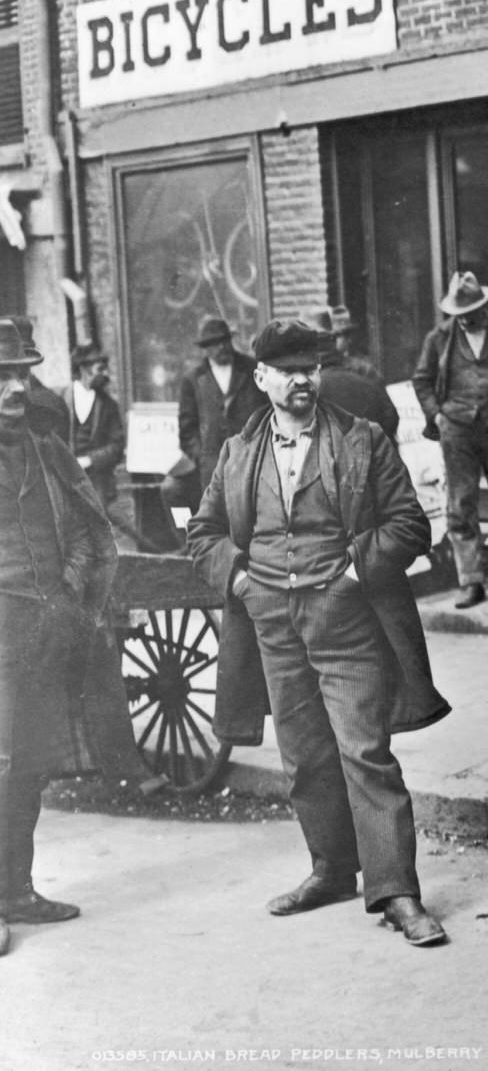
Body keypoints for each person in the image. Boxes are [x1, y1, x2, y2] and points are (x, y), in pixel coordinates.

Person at [186, 318, 450, 948]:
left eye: (310, 368)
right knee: (304, 755)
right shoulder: (238, 452)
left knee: (366, 753)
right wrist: (245, 582)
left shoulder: (361, 440)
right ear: (262, 378)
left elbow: (410, 525)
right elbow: (203, 534)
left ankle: (397, 892)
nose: (303, 380)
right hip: (272, 623)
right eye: (287, 370)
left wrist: (356, 573)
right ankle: (332, 870)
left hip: (345, 622)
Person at [0, 318, 118, 957]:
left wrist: (71, 595)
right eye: (1, 375)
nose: (14, 386)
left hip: (44, 626)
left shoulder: (47, 451)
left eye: (20, 372)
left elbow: (86, 528)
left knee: (31, 765)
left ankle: (15, 890)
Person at [412, 271, 488, 608]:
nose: (464, 319)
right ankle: (471, 580)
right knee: (460, 504)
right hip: (457, 431)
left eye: (470, 313)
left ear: (483, 307)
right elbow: (422, 380)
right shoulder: (439, 338)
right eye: (459, 314)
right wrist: (436, 415)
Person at [163, 316, 266, 512]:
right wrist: (201, 455)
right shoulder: (193, 379)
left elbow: (266, 411)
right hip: (211, 464)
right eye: (214, 344)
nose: (221, 348)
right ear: (205, 348)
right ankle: (193, 542)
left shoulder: (252, 369)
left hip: (250, 457)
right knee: (202, 506)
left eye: (224, 341)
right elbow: (187, 428)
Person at [62, 344, 143, 551]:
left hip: (98, 481)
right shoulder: (61, 399)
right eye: (100, 368)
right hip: (63, 479)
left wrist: (89, 460)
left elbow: (117, 447)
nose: (105, 373)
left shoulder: (109, 405)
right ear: (83, 368)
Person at [302, 307, 400, 442]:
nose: (348, 340)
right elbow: (389, 418)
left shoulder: (363, 370)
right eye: (343, 335)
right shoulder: (360, 373)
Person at [329, 305, 384, 384]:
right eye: (329, 337)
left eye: (337, 336)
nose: (331, 341)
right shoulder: (319, 369)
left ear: (348, 339)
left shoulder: (363, 370)